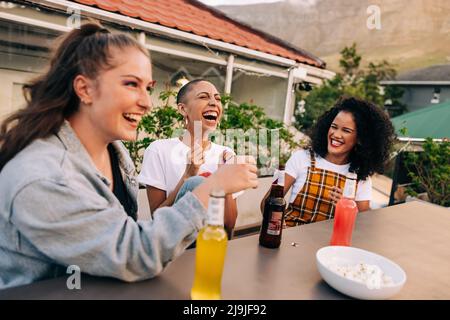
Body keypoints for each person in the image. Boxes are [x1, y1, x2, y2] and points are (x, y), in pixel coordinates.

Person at [0, 24, 258, 289]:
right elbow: (134, 254)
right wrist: (215, 184)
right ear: (85, 89)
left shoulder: (116, 154)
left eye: (148, 87)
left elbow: (120, 236)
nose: (147, 102)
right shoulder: (45, 175)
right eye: (131, 84)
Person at [261, 96, 395, 226]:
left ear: (360, 139)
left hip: (332, 246)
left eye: (346, 130)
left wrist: (349, 207)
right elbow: (267, 203)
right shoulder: (302, 158)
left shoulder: (360, 177)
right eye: (334, 127)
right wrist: (278, 225)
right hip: (291, 240)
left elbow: (364, 224)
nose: (336, 135)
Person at [138, 79, 240, 238]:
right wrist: (188, 175)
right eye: (204, 97)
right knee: (196, 183)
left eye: (217, 98)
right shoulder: (159, 150)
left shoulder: (226, 154)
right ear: (183, 109)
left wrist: (223, 179)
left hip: (212, 243)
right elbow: (158, 217)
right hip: (175, 243)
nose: (214, 102)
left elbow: (230, 223)